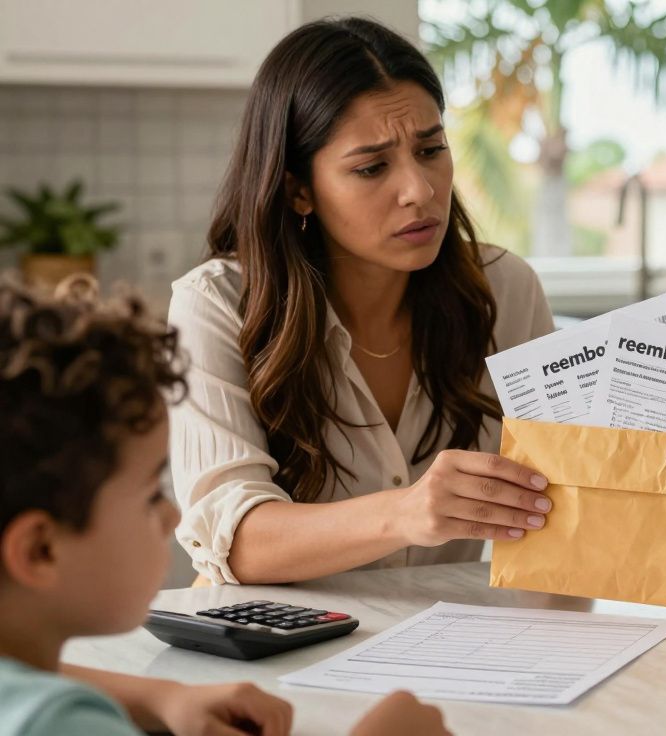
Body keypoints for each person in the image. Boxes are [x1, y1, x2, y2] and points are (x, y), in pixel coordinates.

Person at [169, 17, 557, 584]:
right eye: (372, 167)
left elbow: (560, 493)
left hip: (443, 641)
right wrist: (405, 513)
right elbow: (235, 543)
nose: (419, 191)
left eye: (431, 150)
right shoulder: (215, 305)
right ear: (298, 189)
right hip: (275, 646)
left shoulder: (506, 288)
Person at [0, 278, 450, 736]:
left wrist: (165, 697)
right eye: (151, 495)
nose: (174, 516)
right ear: (41, 551)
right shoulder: (57, 721)